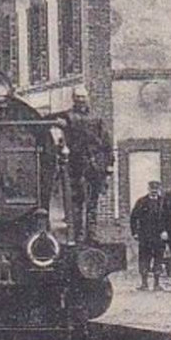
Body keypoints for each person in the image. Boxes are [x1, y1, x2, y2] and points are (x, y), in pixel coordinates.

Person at [64, 90, 113, 242]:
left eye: (83, 96)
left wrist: (109, 164)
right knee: (77, 201)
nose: (81, 100)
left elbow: (107, 143)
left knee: (93, 202)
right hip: (76, 165)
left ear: (87, 98)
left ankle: (91, 234)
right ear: (73, 99)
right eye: (77, 97)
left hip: (95, 166)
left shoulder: (96, 118)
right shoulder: (68, 116)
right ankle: (77, 234)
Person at [128, 178, 166, 290]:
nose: (154, 191)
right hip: (145, 235)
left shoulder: (163, 202)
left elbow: (169, 218)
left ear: (159, 189)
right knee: (144, 258)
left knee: (159, 258)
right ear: (148, 189)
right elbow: (133, 218)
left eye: (156, 189)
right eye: (152, 189)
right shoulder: (141, 202)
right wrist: (135, 232)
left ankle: (157, 283)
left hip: (159, 236)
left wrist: (166, 231)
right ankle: (144, 283)